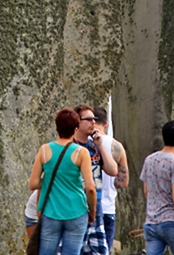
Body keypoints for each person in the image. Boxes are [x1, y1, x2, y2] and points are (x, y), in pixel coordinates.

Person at [29, 108, 97, 255]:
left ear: (57, 127)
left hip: (50, 212)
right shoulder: (81, 152)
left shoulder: (44, 150)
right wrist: (92, 212)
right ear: (76, 128)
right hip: (77, 211)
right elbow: (90, 188)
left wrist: (49, 181)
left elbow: (33, 184)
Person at [140, 120, 174, 255]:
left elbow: (146, 191)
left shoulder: (149, 160)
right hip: (171, 221)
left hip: (151, 222)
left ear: (163, 137)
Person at [72, 104, 117, 255]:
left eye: (94, 119)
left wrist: (100, 146)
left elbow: (113, 170)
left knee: (100, 250)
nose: (93, 122)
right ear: (77, 122)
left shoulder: (94, 146)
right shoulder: (70, 147)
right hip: (76, 207)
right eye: (89, 119)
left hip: (96, 208)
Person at [93, 107, 128, 254]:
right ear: (106, 124)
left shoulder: (82, 143)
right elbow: (123, 182)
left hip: (85, 208)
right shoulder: (117, 147)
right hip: (107, 207)